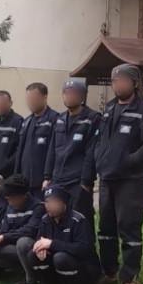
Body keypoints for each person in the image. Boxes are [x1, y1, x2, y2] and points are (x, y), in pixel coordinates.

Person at [85, 64, 143, 284]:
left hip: (131, 181)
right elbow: (100, 140)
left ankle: (129, 276)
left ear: (134, 83)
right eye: (114, 81)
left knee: (129, 228)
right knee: (105, 229)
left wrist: (128, 161)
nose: (117, 84)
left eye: (121, 80)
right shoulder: (109, 108)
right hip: (107, 179)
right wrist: (100, 160)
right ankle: (109, 271)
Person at [22, 185, 100, 284]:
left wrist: (52, 244)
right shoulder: (45, 220)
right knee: (33, 255)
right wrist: (40, 248)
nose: (49, 206)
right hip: (58, 266)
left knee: (61, 257)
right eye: (47, 202)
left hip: (83, 268)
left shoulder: (78, 220)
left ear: (63, 203)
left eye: (54, 202)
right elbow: (41, 239)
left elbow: (85, 249)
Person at [45, 78, 101, 224]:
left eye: (73, 93)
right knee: (57, 218)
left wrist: (85, 182)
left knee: (80, 219)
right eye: (66, 93)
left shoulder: (92, 118)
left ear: (82, 96)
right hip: (58, 179)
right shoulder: (60, 119)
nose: (69, 96)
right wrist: (47, 176)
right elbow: (52, 149)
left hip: (77, 181)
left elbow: (91, 152)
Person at [0, 174, 43, 284]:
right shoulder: (10, 207)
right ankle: (22, 273)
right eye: (7, 199)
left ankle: (32, 283)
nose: (9, 202)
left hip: (33, 248)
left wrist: (4, 237)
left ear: (23, 196)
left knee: (23, 243)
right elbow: (3, 229)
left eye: (12, 199)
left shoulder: (38, 207)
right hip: (13, 246)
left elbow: (30, 230)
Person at [16, 82, 58, 197]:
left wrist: (48, 177)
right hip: (25, 181)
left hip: (43, 182)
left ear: (45, 97)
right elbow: (20, 151)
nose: (31, 102)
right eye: (28, 99)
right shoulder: (26, 121)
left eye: (34, 98)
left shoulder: (54, 119)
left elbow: (54, 150)